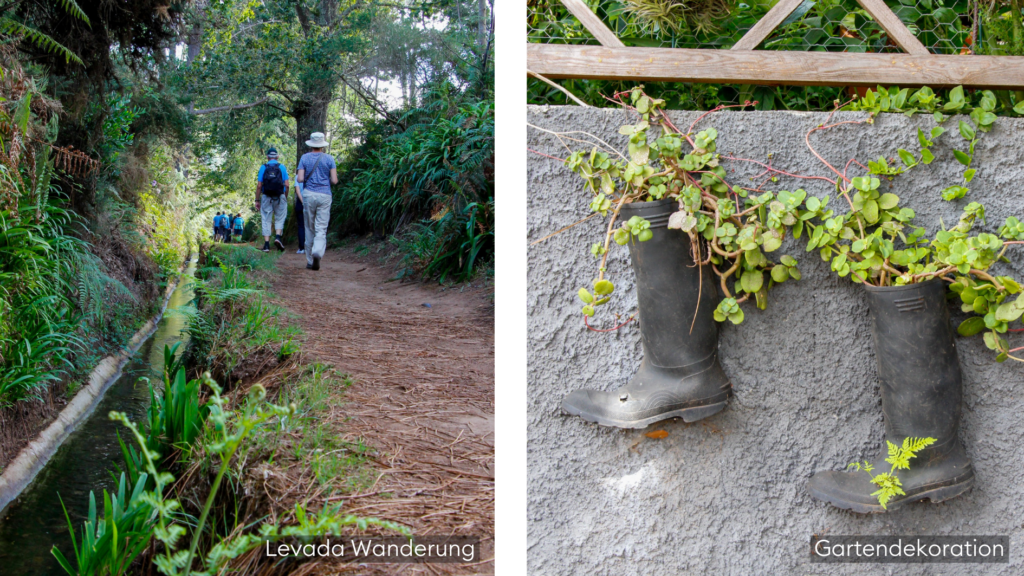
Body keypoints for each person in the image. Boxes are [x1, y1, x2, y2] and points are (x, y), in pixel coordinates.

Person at [296, 132, 337, 270]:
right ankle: (318, 251)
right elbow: (335, 180)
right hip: (325, 195)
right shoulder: (329, 159)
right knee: (321, 227)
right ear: (322, 145)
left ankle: (309, 260)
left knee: (309, 226)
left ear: (311, 144)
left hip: (309, 194)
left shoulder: (304, 158)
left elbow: (300, 179)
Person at [256, 147, 289, 252]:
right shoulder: (282, 167)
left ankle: (266, 245)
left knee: (266, 219)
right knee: (280, 217)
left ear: (267, 157)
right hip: (280, 196)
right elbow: (287, 185)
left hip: (266, 196)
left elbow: (259, 186)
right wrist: (285, 196)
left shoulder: (263, 167)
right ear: (277, 157)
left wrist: (257, 200)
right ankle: (278, 237)